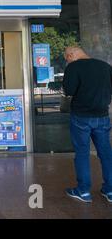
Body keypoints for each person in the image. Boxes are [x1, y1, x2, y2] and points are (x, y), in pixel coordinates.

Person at [62, 46, 112, 203]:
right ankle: (110, 191)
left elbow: (68, 90)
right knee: (106, 153)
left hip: (81, 117)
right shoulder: (105, 66)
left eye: (66, 58)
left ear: (71, 55)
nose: (67, 61)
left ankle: (83, 191)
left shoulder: (73, 67)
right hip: (102, 116)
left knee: (82, 153)